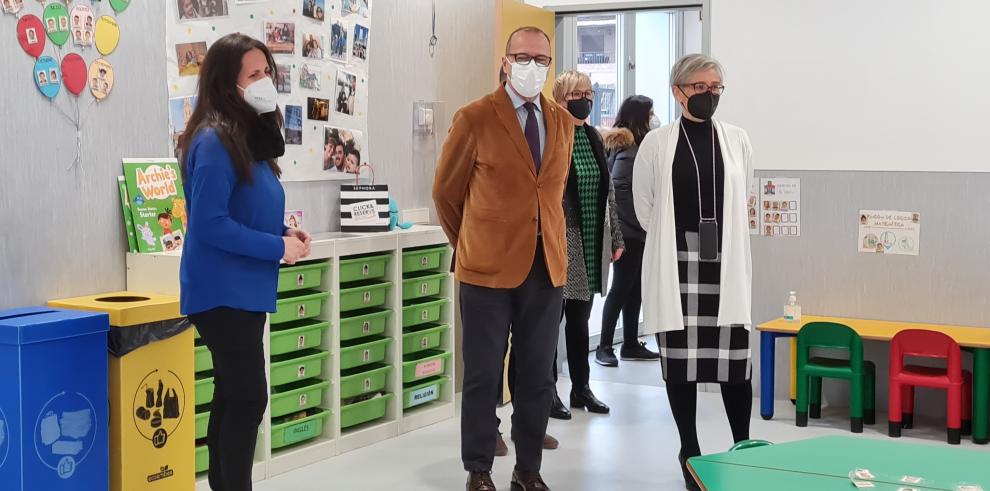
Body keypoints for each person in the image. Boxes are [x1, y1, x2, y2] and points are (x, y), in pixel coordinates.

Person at [433, 25, 571, 491]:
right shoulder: (475, 117)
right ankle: (478, 469)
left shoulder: (563, 121)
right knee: (483, 377)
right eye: (524, 57)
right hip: (485, 273)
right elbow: (446, 193)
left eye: (542, 60)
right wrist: (470, 244)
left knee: (536, 378)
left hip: (545, 268)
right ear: (506, 60)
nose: (533, 67)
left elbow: (552, 194)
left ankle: (527, 469)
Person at [177, 33, 310, 491]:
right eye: (253, 75)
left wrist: (282, 233)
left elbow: (243, 210)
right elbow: (210, 224)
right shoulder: (214, 140)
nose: (265, 81)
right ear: (225, 84)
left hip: (245, 290)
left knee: (233, 397)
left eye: (267, 71)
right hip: (221, 292)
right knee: (250, 398)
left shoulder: (247, 137)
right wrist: (277, 249)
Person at [632, 54, 754, 491]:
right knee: (681, 363)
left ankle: (743, 445)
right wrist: (678, 241)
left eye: (716, 86)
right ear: (678, 90)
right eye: (700, 86)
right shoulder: (657, 144)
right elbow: (645, 208)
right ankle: (690, 450)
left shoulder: (737, 140)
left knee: (735, 362)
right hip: (678, 263)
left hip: (725, 260)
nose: (710, 94)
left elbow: (743, 200)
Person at [550, 70, 624, 418]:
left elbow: (607, 190)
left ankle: (581, 388)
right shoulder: (552, 136)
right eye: (577, 94)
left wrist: (617, 236)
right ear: (560, 99)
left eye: (589, 93)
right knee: (550, 322)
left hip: (591, 240)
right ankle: (547, 390)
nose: (585, 100)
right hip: (562, 240)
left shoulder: (594, 137)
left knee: (580, 323)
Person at [596, 95, 662, 367]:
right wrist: (642, 225)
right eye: (651, 113)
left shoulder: (634, 147)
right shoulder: (629, 151)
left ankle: (631, 343)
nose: (655, 118)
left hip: (637, 231)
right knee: (621, 288)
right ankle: (605, 347)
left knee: (634, 289)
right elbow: (623, 195)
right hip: (629, 232)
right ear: (640, 118)